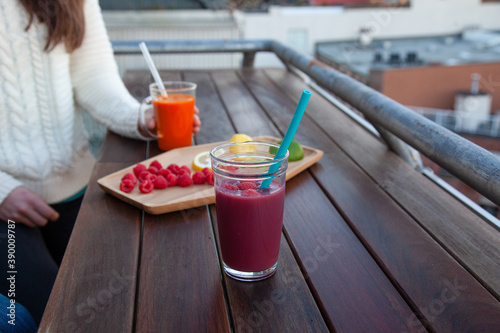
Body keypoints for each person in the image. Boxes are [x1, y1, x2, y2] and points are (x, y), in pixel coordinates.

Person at [0, 0, 201, 326]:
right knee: (52, 316)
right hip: (5, 207)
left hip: (76, 186)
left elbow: (93, 74)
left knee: (126, 296)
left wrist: (140, 117)